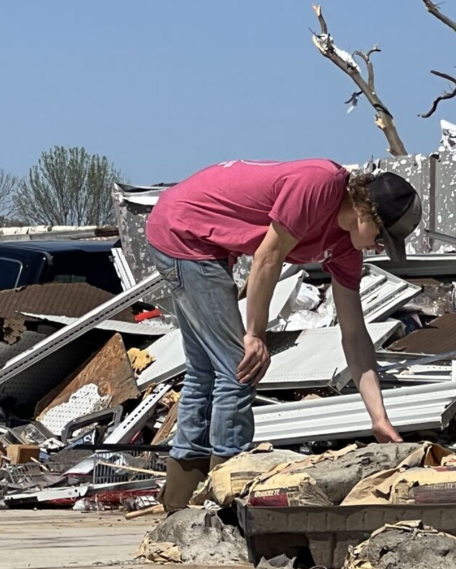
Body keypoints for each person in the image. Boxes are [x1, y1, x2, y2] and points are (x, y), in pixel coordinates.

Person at [144, 159, 421, 512]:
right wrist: (255, 335)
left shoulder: (346, 248)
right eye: (382, 239)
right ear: (366, 213)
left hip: (201, 241)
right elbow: (267, 257)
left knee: (206, 371)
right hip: (183, 232)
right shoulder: (318, 185)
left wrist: (378, 417)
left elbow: (355, 335)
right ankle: (225, 506)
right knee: (240, 368)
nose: (379, 248)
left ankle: (179, 506)